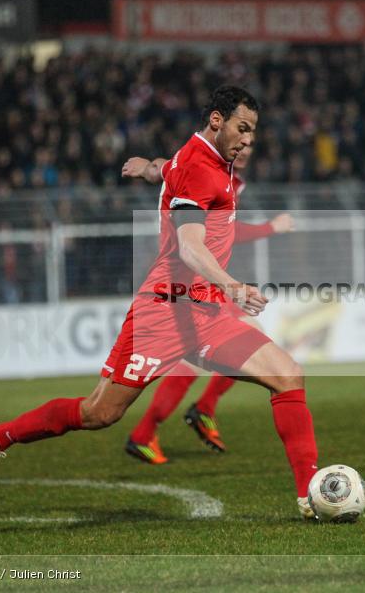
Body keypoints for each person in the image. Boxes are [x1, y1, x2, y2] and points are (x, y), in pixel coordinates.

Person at [0, 86, 362, 518]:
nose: (249, 140)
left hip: (205, 313)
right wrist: (232, 285)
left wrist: (146, 168)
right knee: (99, 413)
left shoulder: (201, 160)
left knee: (287, 374)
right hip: (164, 314)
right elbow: (190, 247)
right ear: (216, 121)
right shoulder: (198, 168)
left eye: (254, 132)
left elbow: (165, 168)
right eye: (242, 129)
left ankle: (309, 494)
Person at [119, 144, 294, 463]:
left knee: (241, 337)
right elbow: (227, 228)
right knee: (239, 340)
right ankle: (184, 417)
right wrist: (271, 227)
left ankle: (158, 428)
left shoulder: (230, 179)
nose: (244, 149)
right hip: (186, 281)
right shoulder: (210, 171)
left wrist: (149, 168)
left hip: (199, 280)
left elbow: (166, 168)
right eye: (238, 139)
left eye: (251, 143)